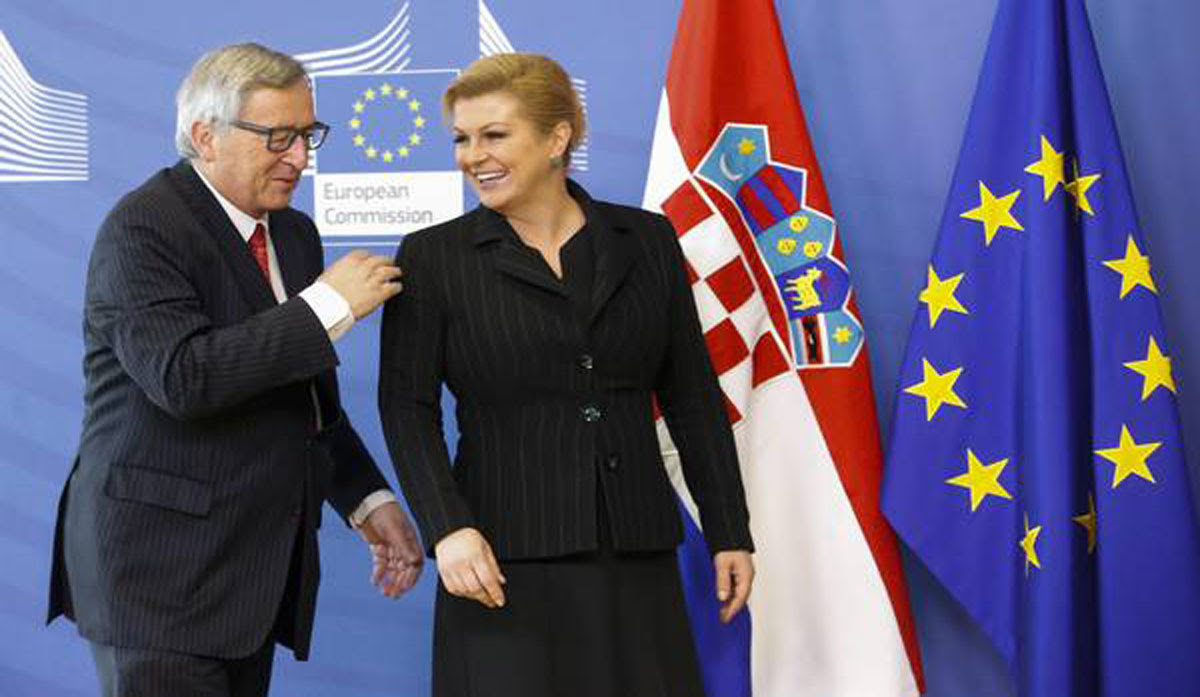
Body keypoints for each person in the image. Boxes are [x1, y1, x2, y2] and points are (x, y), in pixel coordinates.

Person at [46, 43, 423, 697]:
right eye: (279, 137)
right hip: (157, 581)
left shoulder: (294, 235)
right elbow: (184, 379)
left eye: (308, 135)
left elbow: (304, 397)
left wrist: (367, 499)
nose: (300, 158)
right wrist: (329, 305)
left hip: (245, 582)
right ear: (205, 136)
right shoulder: (142, 228)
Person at [378, 53, 755, 697]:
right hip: (501, 561)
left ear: (557, 139)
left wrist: (729, 531)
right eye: (462, 139)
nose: (473, 156)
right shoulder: (434, 257)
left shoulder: (648, 240)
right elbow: (406, 409)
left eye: (494, 135)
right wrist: (449, 527)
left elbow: (691, 394)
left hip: (636, 557)